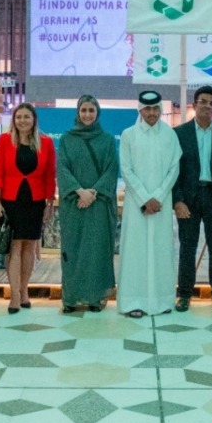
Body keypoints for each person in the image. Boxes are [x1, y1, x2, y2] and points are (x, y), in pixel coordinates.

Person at [173, 85, 212, 312]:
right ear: (194, 104)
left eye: (211, 103)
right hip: (188, 199)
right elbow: (174, 170)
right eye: (203, 102)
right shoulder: (180, 133)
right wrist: (177, 200)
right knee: (187, 247)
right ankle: (184, 294)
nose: (207, 106)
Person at [117, 90, 182, 318]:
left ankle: (161, 301)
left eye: (155, 109)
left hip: (161, 205)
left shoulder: (170, 135)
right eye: (147, 109)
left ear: (160, 109)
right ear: (140, 110)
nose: (152, 113)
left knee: (161, 251)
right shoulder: (129, 135)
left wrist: (159, 196)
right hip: (137, 206)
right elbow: (126, 170)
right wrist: (145, 198)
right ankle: (133, 302)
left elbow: (174, 169)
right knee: (135, 252)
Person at [56, 95, 119, 313]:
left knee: (97, 251)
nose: (87, 115)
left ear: (98, 113)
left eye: (91, 110)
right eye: (84, 110)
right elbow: (62, 168)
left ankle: (95, 298)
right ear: (78, 112)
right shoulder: (67, 139)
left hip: (99, 205)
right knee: (72, 251)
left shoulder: (107, 140)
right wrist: (79, 191)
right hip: (74, 205)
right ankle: (71, 299)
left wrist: (92, 193)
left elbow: (111, 169)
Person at [0, 102, 56, 314]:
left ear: (34, 119)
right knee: (14, 247)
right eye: (18, 117)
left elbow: (50, 175)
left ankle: (24, 290)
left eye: (26, 117)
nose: (22, 121)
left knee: (29, 245)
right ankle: (14, 295)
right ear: (14, 120)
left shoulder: (46, 142)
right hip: (11, 200)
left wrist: (49, 204)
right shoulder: (4, 140)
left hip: (35, 201)